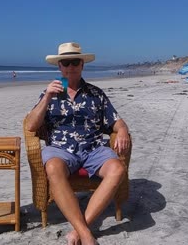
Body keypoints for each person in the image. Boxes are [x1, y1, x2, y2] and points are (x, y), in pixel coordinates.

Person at [26, 42, 131, 245]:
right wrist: (47, 97)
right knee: (53, 167)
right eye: (66, 62)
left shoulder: (96, 94)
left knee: (117, 169)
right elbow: (31, 125)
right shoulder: (49, 94)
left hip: (93, 149)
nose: (70, 66)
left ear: (82, 64)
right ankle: (86, 234)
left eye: (75, 61)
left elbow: (116, 121)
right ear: (60, 67)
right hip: (60, 150)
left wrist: (123, 130)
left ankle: (79, 231)